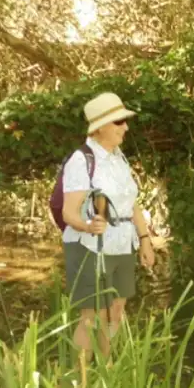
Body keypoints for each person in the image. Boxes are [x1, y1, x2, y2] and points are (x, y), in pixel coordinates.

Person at [61, 92, 155, 359]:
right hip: (91, 245)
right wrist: (88, 225)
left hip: (123, 243)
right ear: (100, 127)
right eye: (119, 122)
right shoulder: (81, 160)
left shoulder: (118, 156)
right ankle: (79, 384)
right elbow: (69, 212)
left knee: (115, 311)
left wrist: (144, 239)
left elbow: (131, 202)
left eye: (125, 121)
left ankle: (107, 375)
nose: (125, 127)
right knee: (92, 316)